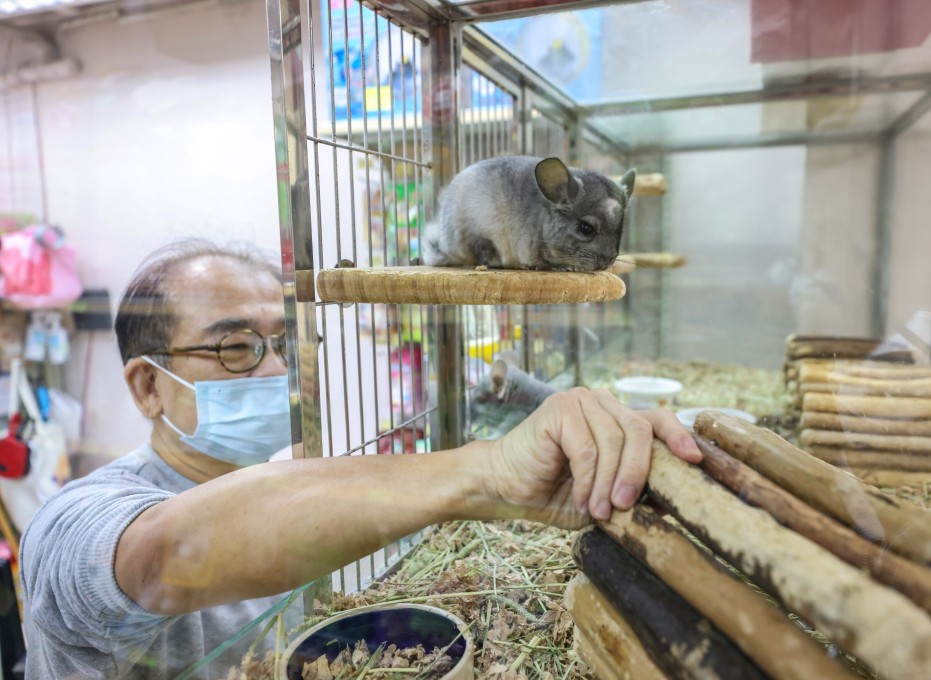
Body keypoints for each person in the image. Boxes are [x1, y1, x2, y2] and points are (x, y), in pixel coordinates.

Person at [18, 239, 702, 678]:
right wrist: (488, 471)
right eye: (234, 348)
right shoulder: (71, 521)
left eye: (281, 343)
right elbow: (165, 555)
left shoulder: (284, 478)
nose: (276, 369)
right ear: (146, 385)